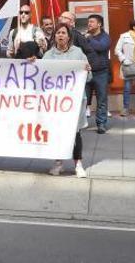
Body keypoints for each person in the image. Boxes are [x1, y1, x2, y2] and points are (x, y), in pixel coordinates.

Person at [42, 23, 91, 178]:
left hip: (75, 101)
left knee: (75, 133)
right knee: (57, 132)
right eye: (58, 33)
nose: (60, 35)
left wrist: (87, 70)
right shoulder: (48, 55)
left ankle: (78, 164)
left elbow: (88, 77)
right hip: (56, 102)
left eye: (63, 33)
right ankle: (59, 163)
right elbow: (40, 75)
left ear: (69, 36)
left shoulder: (78, 53)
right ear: (54, 36)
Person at [58, 11, 96, 118]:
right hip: (58, 78)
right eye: (61, 17)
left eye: (65, 18)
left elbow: (90, 52)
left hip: (72, 78)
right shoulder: (55, 35)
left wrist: (85, 66)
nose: (61, 19)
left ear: (72, 23)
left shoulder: (77, 36)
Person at [84, 14, 111, 133]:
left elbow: (101, 47)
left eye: (92, 22)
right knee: (83, 99)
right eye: (88, 22)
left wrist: (88, 38)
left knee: (101, 100)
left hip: (101, 73)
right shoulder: (84, 37)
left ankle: (101, 124)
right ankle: (80, 123)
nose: (89, 24)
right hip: (86, 72)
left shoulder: (105, 37)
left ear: (99, 24)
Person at [114, 19, 135, 119]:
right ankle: (125, 108)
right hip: (128, 65)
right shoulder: (124, 36)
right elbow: (117, 50)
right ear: (134, 27)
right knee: (127, 88)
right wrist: (123, 59)